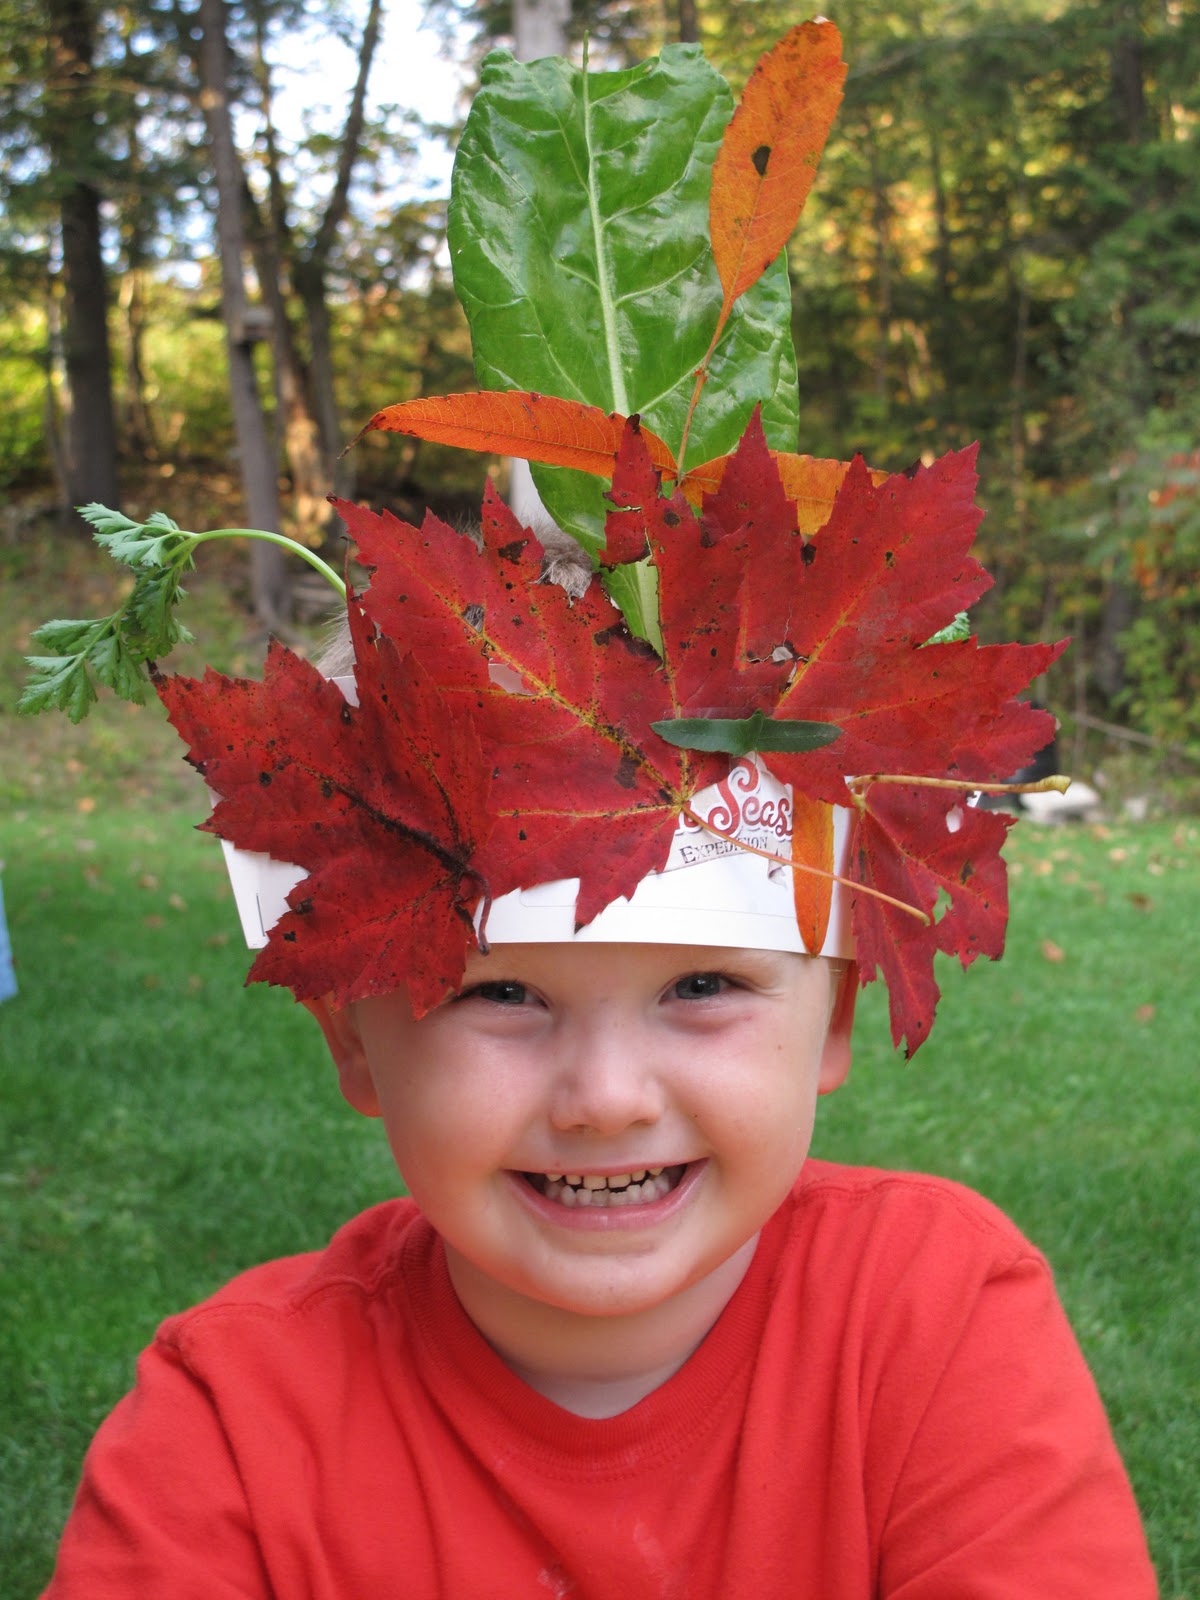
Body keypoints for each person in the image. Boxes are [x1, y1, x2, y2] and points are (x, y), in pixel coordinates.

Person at [38, 22, 1156, 1597]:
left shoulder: (936, 1315)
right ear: (354, 1035)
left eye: (703, 983)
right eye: (502, 993)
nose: (607, 1096)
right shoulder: (226, 1429)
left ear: (835, 1006)